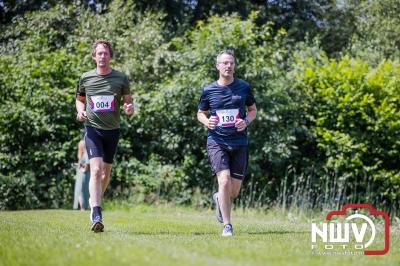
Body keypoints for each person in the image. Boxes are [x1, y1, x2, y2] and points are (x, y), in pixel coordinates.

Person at [75, 39, 134, 232]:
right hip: (92, 130)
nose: (102, 56)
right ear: (94, 56)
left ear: (110, 56)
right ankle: (96, 213)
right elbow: (79, 99)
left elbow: (128, 104)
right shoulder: (86, 78)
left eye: (105, 53)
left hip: (112, 131)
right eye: (99, 53)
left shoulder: (121, 78)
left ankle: (95, 199)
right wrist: (80, 111)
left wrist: (129, 109)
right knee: (96, 171)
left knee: (105, 175)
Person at [197, 49, 257, 236]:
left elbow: (253, 110)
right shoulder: (209, 90)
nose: (228, 66)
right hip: (217, 140)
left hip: (239, 141)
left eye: (231, 63)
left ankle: (219, 199)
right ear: (218, 66)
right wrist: (208, 121)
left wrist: (245, 121)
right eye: (225, 63)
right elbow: (200, 113)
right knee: (223, 181)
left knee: (234, 191)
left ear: (234, 66)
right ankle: (227, 225)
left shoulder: (244, 87)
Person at [73, 139, 90, 211]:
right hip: (81, 174)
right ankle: (82, 207)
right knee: (80, 191)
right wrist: (78, 165)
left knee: (82, 191)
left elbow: (88, 163)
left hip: (84, 174)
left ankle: (83, 207)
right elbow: (83, 163)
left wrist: (84, 169)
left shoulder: (86, 153)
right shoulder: (82, 153)